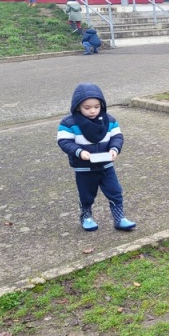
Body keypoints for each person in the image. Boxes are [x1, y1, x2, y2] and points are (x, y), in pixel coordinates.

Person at [57, 83, 136, 232]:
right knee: (86, 195)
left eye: (96, 106)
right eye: (87, 108)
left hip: (106, 165)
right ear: (77, 107)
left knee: (115, 191)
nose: (92, 111)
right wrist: (79, 152)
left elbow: (117, 136)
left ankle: (119, 218)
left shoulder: (109, 120)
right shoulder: (68, 123)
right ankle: (86, 216)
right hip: (84, 168)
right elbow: (64, 141)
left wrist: (114, 149)